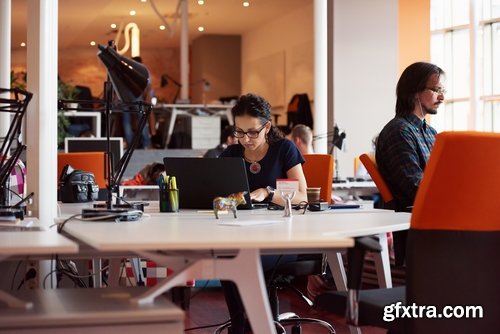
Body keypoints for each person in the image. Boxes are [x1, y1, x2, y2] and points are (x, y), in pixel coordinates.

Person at [219, 93, 308, 333]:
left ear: (267, 126)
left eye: (252, 132)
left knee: (241, 260)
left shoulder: (284, 150)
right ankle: (243, 326)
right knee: (228, 257)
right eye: (239, 132)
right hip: (242, 236)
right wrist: (230, 200)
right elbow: (219, 200)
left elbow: (302, 197)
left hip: (282, 240)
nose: (245, 139)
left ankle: (254, 327)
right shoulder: (230, 154)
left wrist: (268, 192)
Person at [376, 61, 445, 212]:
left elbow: (441, 178)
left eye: (443, 91)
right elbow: (415, 188)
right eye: (436, 90)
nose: (441, 97)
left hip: (434, 212)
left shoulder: (430, 132)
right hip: (414, 220)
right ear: (415, 92)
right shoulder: (399, 132)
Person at [121, 56, 155, 149]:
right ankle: (146, 143)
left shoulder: (125, 70)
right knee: (141, 119)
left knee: (126, 120)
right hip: (137, 95)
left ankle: (131, 144)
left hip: (124, 96)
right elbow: (148, 86)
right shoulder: (143, 70)